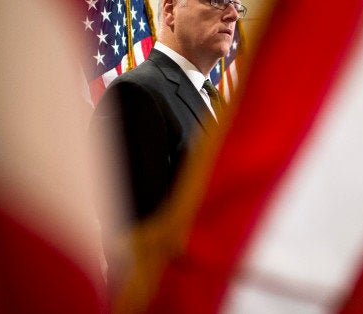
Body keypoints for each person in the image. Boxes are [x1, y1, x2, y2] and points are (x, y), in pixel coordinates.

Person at [92, 0, 247, 222]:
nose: (233, 15)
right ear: (170, 10)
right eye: (217, 2)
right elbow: (136, 235)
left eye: (237, 5)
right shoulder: (136, 94)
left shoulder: (217, 103)